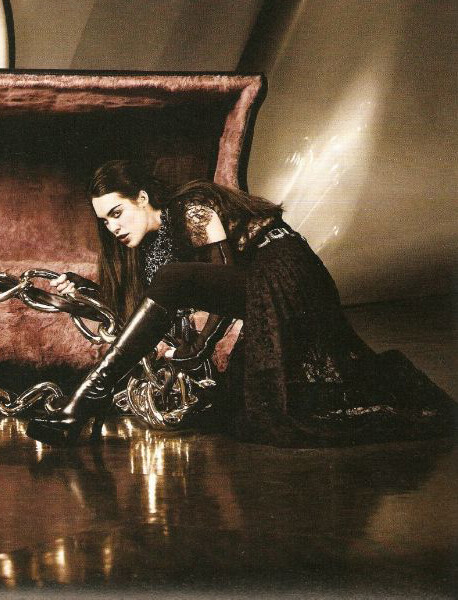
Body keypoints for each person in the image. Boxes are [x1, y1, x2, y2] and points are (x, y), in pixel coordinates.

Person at [27, 160, 455, 448]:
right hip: (261, 285)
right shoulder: (154, 249)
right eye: (104, 221)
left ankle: (84, 401)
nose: (112, 227)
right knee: (240, 409)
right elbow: (152, 309)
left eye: (117, 212)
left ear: (141, 197)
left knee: (176, 283)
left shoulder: (191, 208)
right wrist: (83, 290)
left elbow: (222, 282)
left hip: (287, 273)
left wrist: (198, 348)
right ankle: (86, 404)